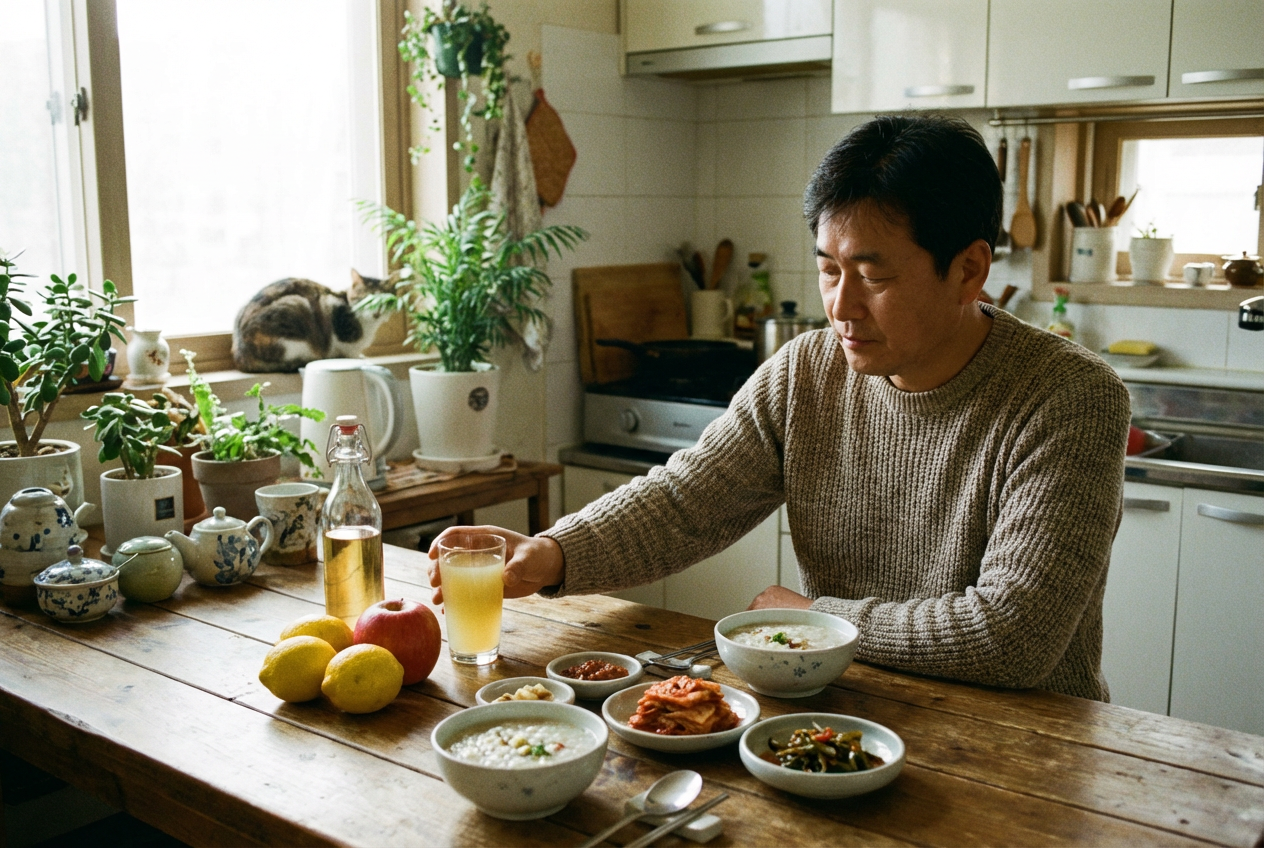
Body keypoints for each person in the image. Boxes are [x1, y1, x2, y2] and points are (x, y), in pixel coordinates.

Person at [429, 115, 1130, 701]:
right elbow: (687, 499)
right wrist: (551, 553)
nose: (842, 307)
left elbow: (1013, 636)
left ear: (970, 269)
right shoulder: (806, 371)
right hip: (840, 709)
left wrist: (814, 618)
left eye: (873, 275)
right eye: (828, 269)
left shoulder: (1070, 398)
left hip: (1031, 742)